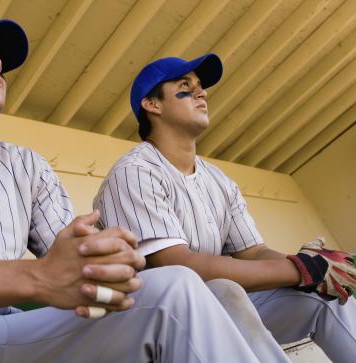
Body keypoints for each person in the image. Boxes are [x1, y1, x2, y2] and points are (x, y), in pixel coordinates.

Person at [0, 21, 266, 363]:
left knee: (174, 284)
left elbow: (72, 264)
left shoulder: (27, 163)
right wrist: (38, 277)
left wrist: (104, 262)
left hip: (21, 333)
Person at [93, 54, 356, 363]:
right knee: (224, 292)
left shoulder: (219, 180)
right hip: (139, 325)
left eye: (200, 87)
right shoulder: (135, 170)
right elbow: (177, 265)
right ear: (153, 104)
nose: (201, 93)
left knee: (329, 293)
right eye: (185, 86)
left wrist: (311, 265)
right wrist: (297, 270)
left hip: (211, 314)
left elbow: (254, 252)